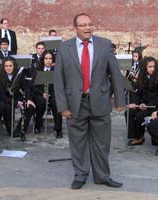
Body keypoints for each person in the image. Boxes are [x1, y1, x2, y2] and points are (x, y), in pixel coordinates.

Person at [54, 13, 126, 190]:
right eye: (83, 25)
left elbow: (115, 74)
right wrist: (62, 106)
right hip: (75, 103)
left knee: (102, 143)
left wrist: (120, 99)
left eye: (90, 24)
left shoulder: (104, 45)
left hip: (100, 102)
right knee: (77, 142)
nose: (88, 28)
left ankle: (102, 176)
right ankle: (80, 174)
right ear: (76, 28)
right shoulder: (64, 48)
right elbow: (59, 79)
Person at [127, 57, 158, 146]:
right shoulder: (141, 77)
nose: (152, 69)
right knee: (130, 112)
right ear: (145, 67)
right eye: (150, 67)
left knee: (139, 115)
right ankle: (137, 137)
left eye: (154, 67)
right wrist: (136, 103)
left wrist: (147, 105)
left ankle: (142, 137)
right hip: (143, 104)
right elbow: (138, 93)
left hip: (154, 106)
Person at [0, 57, 34, 138]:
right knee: (8, 108)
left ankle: (20, 129)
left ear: (14, 66)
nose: (8, 68)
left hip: (16, 97)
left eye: (10, 66)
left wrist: (28, 99)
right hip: (5, 99)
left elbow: (26, 88)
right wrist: (16, 103)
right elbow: (2, 95)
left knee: (30, 107)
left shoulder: (19, 75)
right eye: (6, 66)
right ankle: (11, 131)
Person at [30, 50, 63, 138]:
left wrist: (50, 94)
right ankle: (38, 125)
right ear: (43, 60)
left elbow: (60, 85)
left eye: (50, 58)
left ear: (53, 60)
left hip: (53, 94)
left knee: (56, 104)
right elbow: (33, 86)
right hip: (40, 94)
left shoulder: (56, 70)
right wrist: (42, 93)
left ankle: (58, 129)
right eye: (46, 58)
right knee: (40, 103)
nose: (48, 60)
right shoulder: (38, 70)